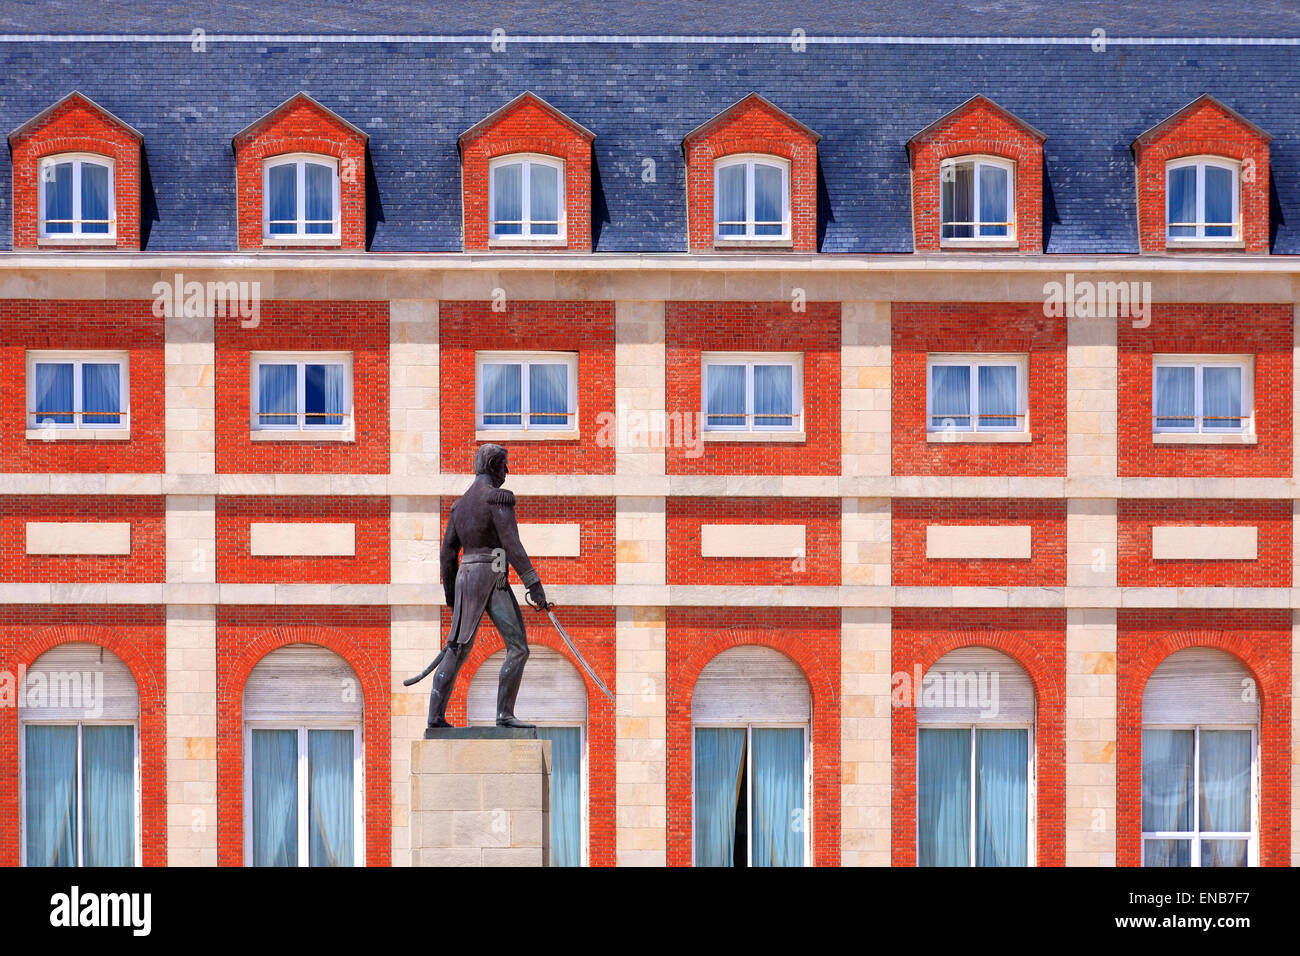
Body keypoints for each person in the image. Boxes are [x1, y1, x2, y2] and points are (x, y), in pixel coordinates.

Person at [421, 443, 547, 729]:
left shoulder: (459, 505)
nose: (507, 470)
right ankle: (504, 714)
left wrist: (454, 598)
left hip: (466, 577)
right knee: (518, 648)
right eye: (505, 464)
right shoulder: (497, 499)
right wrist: (533, 582)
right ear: (493, 466)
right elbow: (512, 544)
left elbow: (447, 555)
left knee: (456, 649)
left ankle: (435, 717)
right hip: (493, 575)